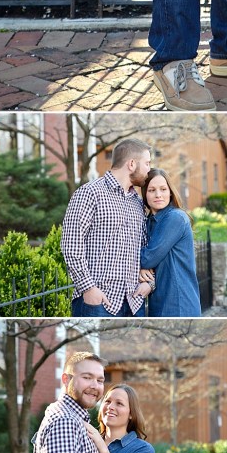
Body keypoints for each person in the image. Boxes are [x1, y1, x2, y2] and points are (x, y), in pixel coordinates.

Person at [60, 134, 154, 316]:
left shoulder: (138, 202)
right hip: (98, 302)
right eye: (147, 163)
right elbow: (71, 245)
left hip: (134, 302)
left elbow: (147, 248)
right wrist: (88, 289)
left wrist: (149, 283)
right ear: (132, 164)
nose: (149, 170)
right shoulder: (89, 193)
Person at [142, 165, 202, 315]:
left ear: (170, 192)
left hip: (178, 303)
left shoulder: (175, 218)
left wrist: (140, 268)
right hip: (159, 302)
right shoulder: (149, 221)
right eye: (151, 190)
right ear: (145, 194)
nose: (158, 195)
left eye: (163, 189)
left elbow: (148, 259)